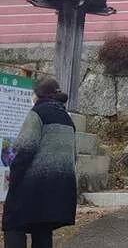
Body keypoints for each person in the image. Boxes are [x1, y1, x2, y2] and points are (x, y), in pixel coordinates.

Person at [2, 78, 76, 248]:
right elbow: (73, 155)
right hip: (59, 189)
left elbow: (25, 148)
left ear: (37, 95)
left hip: (33, 185)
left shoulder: (38, 113)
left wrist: (7, 161)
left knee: (13, 224)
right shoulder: (67, 119)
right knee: (42, 229)